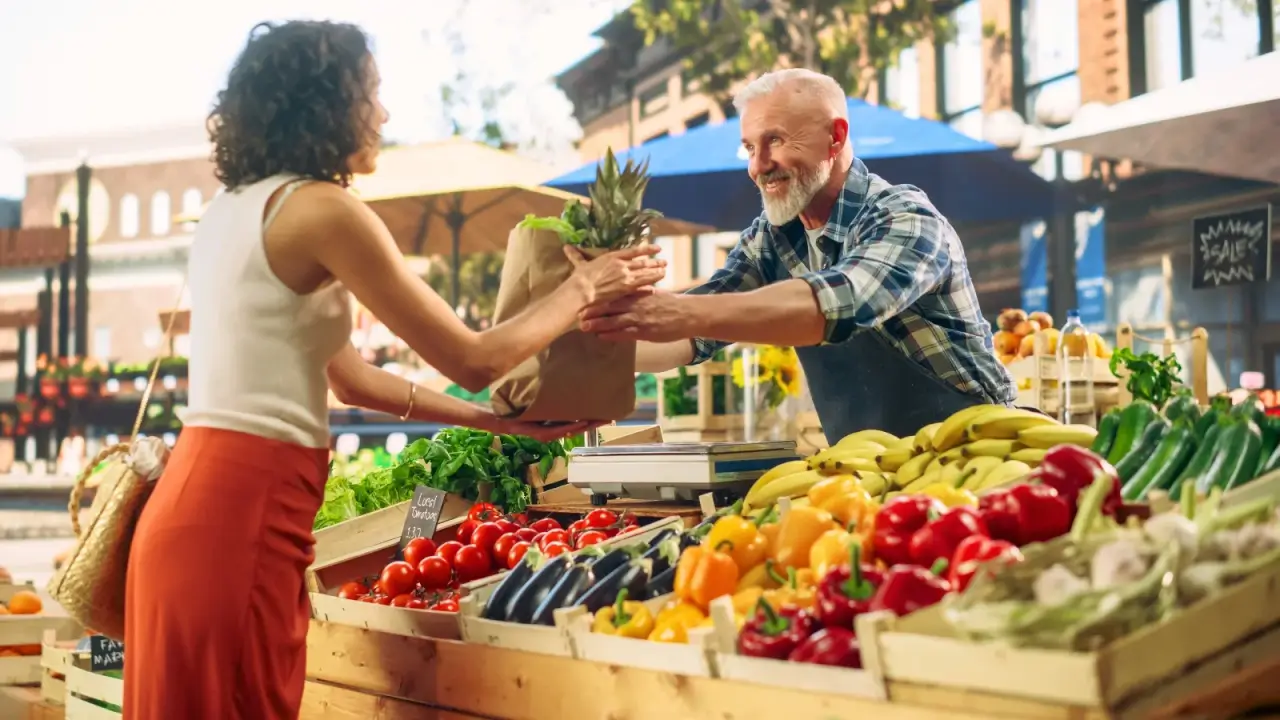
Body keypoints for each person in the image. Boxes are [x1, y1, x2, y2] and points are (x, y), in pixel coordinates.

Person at [123, 20, 664, 720]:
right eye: (370, 94)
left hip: (196, 513)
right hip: (243, 515)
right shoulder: (324, 211)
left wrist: (496, 422)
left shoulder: (233, 210)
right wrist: (586, 288)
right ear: (326, 103)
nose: (383, 113)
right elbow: (469, 356)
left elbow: (349, 379)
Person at [579, 68, 1016, 441]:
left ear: (835, 136)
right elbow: (691, 334)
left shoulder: (906, 218)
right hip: (873, 470)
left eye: (776, 140)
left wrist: (679, 310)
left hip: (979, 450)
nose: (758, 165)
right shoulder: (773, 238)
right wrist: (577, 351)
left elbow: (839, 303)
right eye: (750, 147)